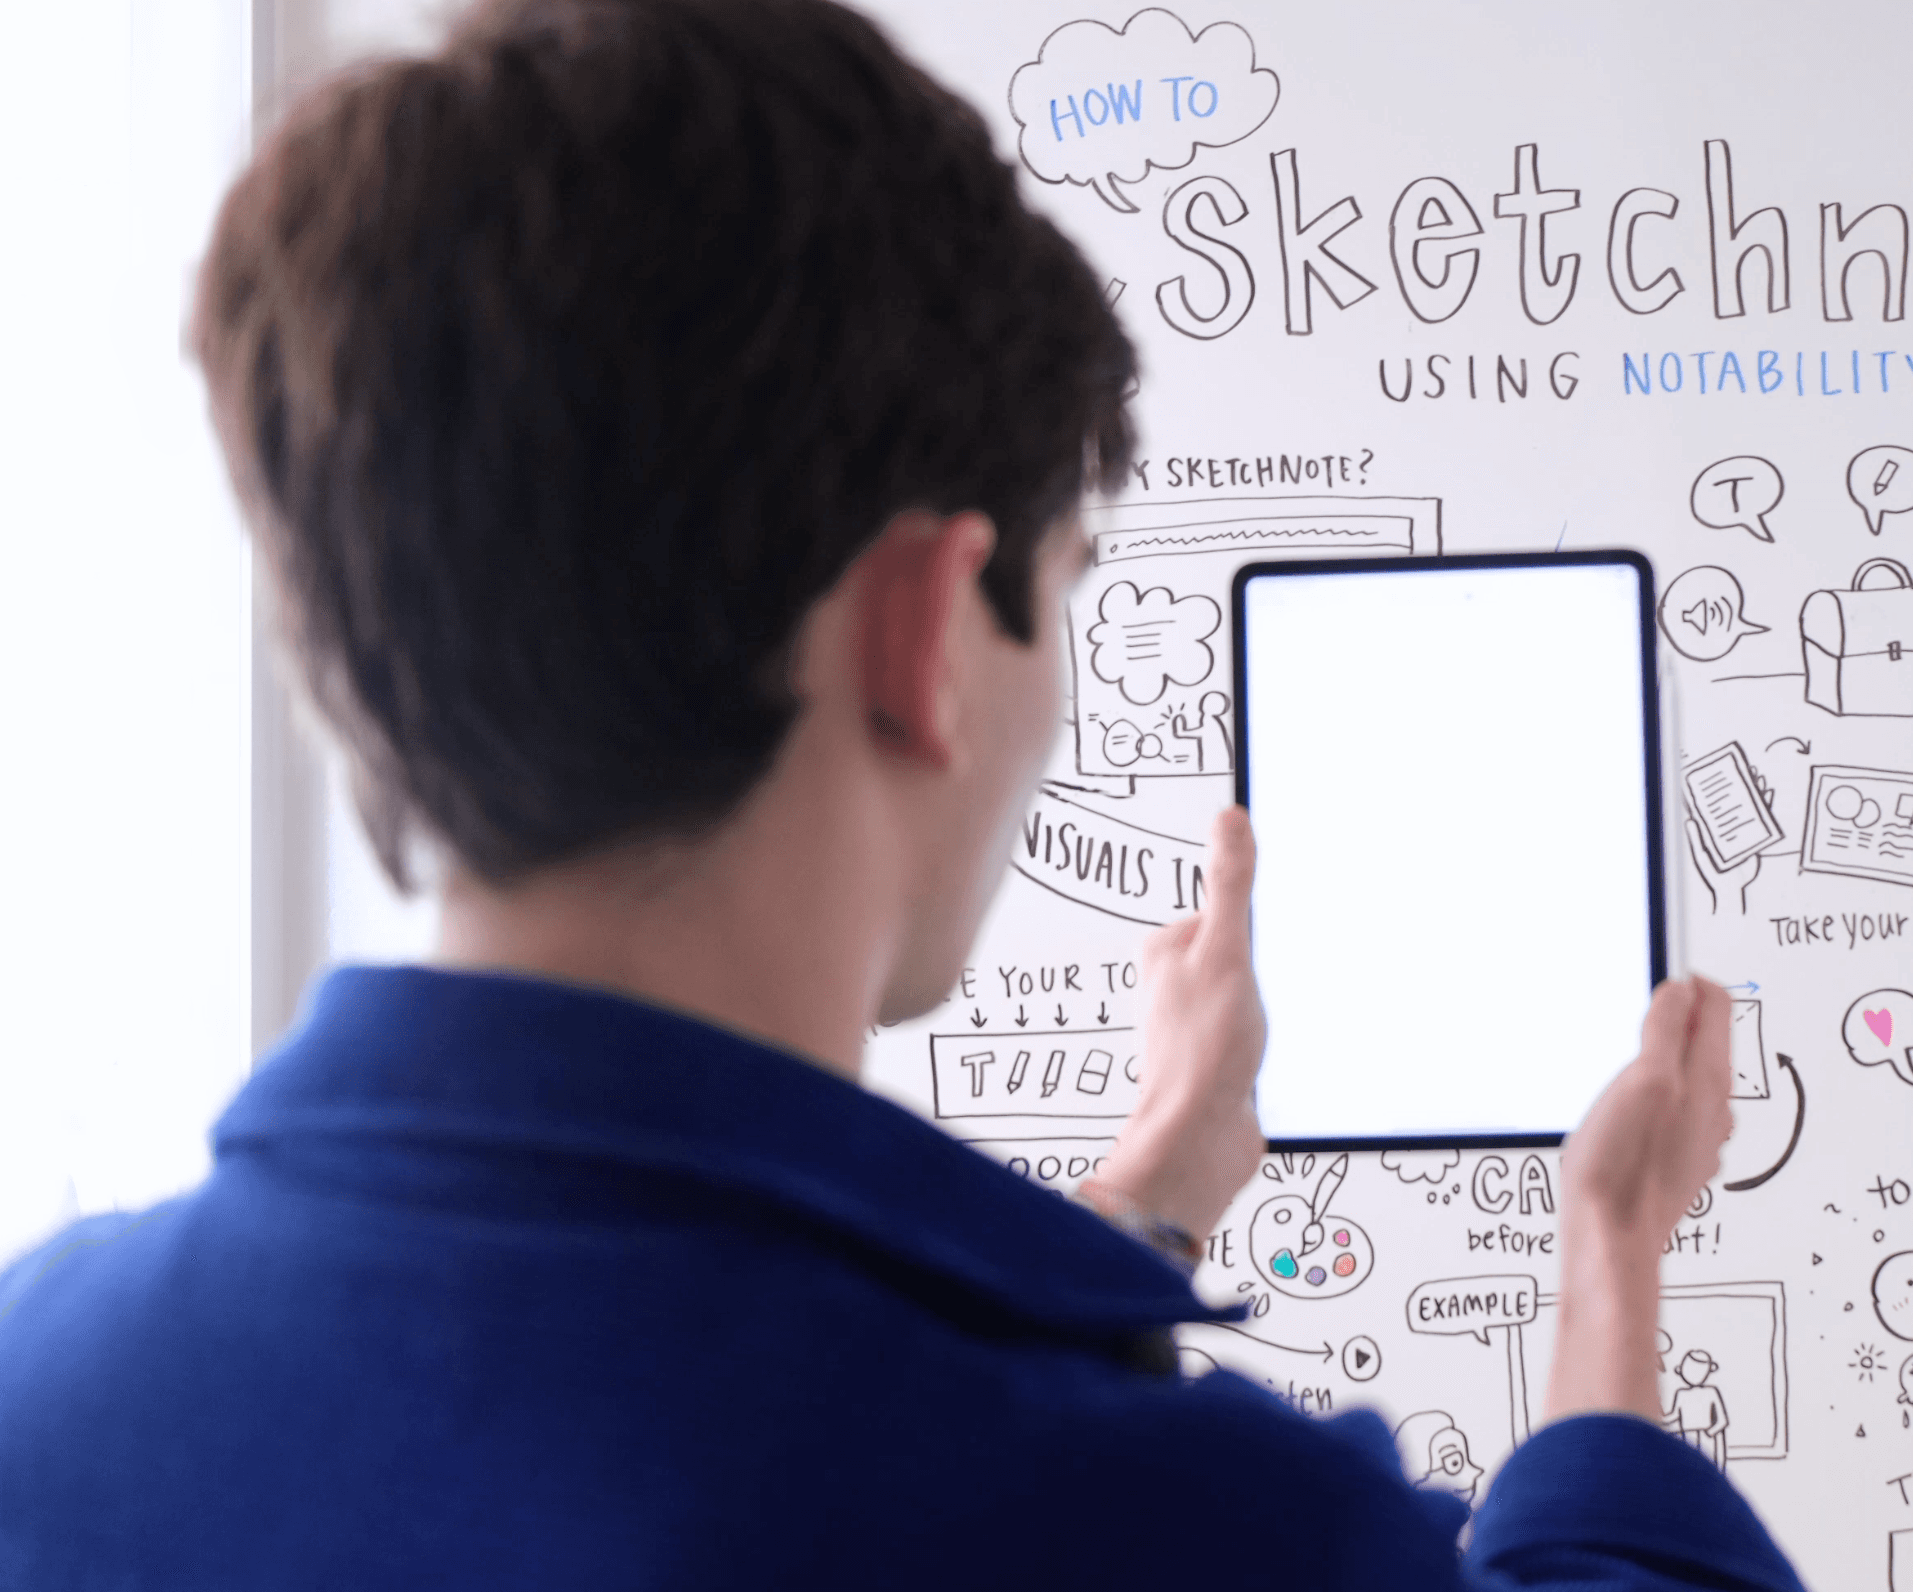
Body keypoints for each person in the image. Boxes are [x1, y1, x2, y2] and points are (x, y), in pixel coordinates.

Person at [0, 1, 1802, 1588]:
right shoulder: (1184, 1526)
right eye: (1071, 581)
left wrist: (1154, 1191)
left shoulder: (39, 1389)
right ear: (931, 626)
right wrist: (1607, 1248)